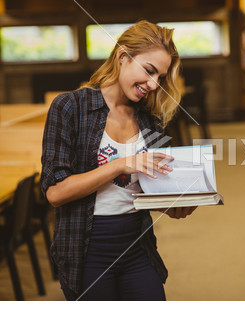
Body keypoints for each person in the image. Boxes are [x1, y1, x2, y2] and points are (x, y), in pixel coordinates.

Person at [40, 20, 196, 301]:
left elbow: (161, 192)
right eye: (149, 71)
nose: (152, 84)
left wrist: (179, 204)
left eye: (159, 77)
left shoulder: (151, 119)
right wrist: (123, 163)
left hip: (138, 246)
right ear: (123, 57)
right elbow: (55, 192)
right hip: (87, 251)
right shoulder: (69, 107)